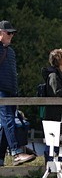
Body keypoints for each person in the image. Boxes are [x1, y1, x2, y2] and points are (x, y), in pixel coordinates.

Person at [0, 20, 37, 165]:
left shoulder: (11, 51)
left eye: (12, 33)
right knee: (8, 120)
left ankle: (1, 159)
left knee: (5, 124)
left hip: (11, 91)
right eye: (8, 33)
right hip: (1, 91)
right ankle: (16, 152)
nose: (11, 35)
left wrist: (15, 92)